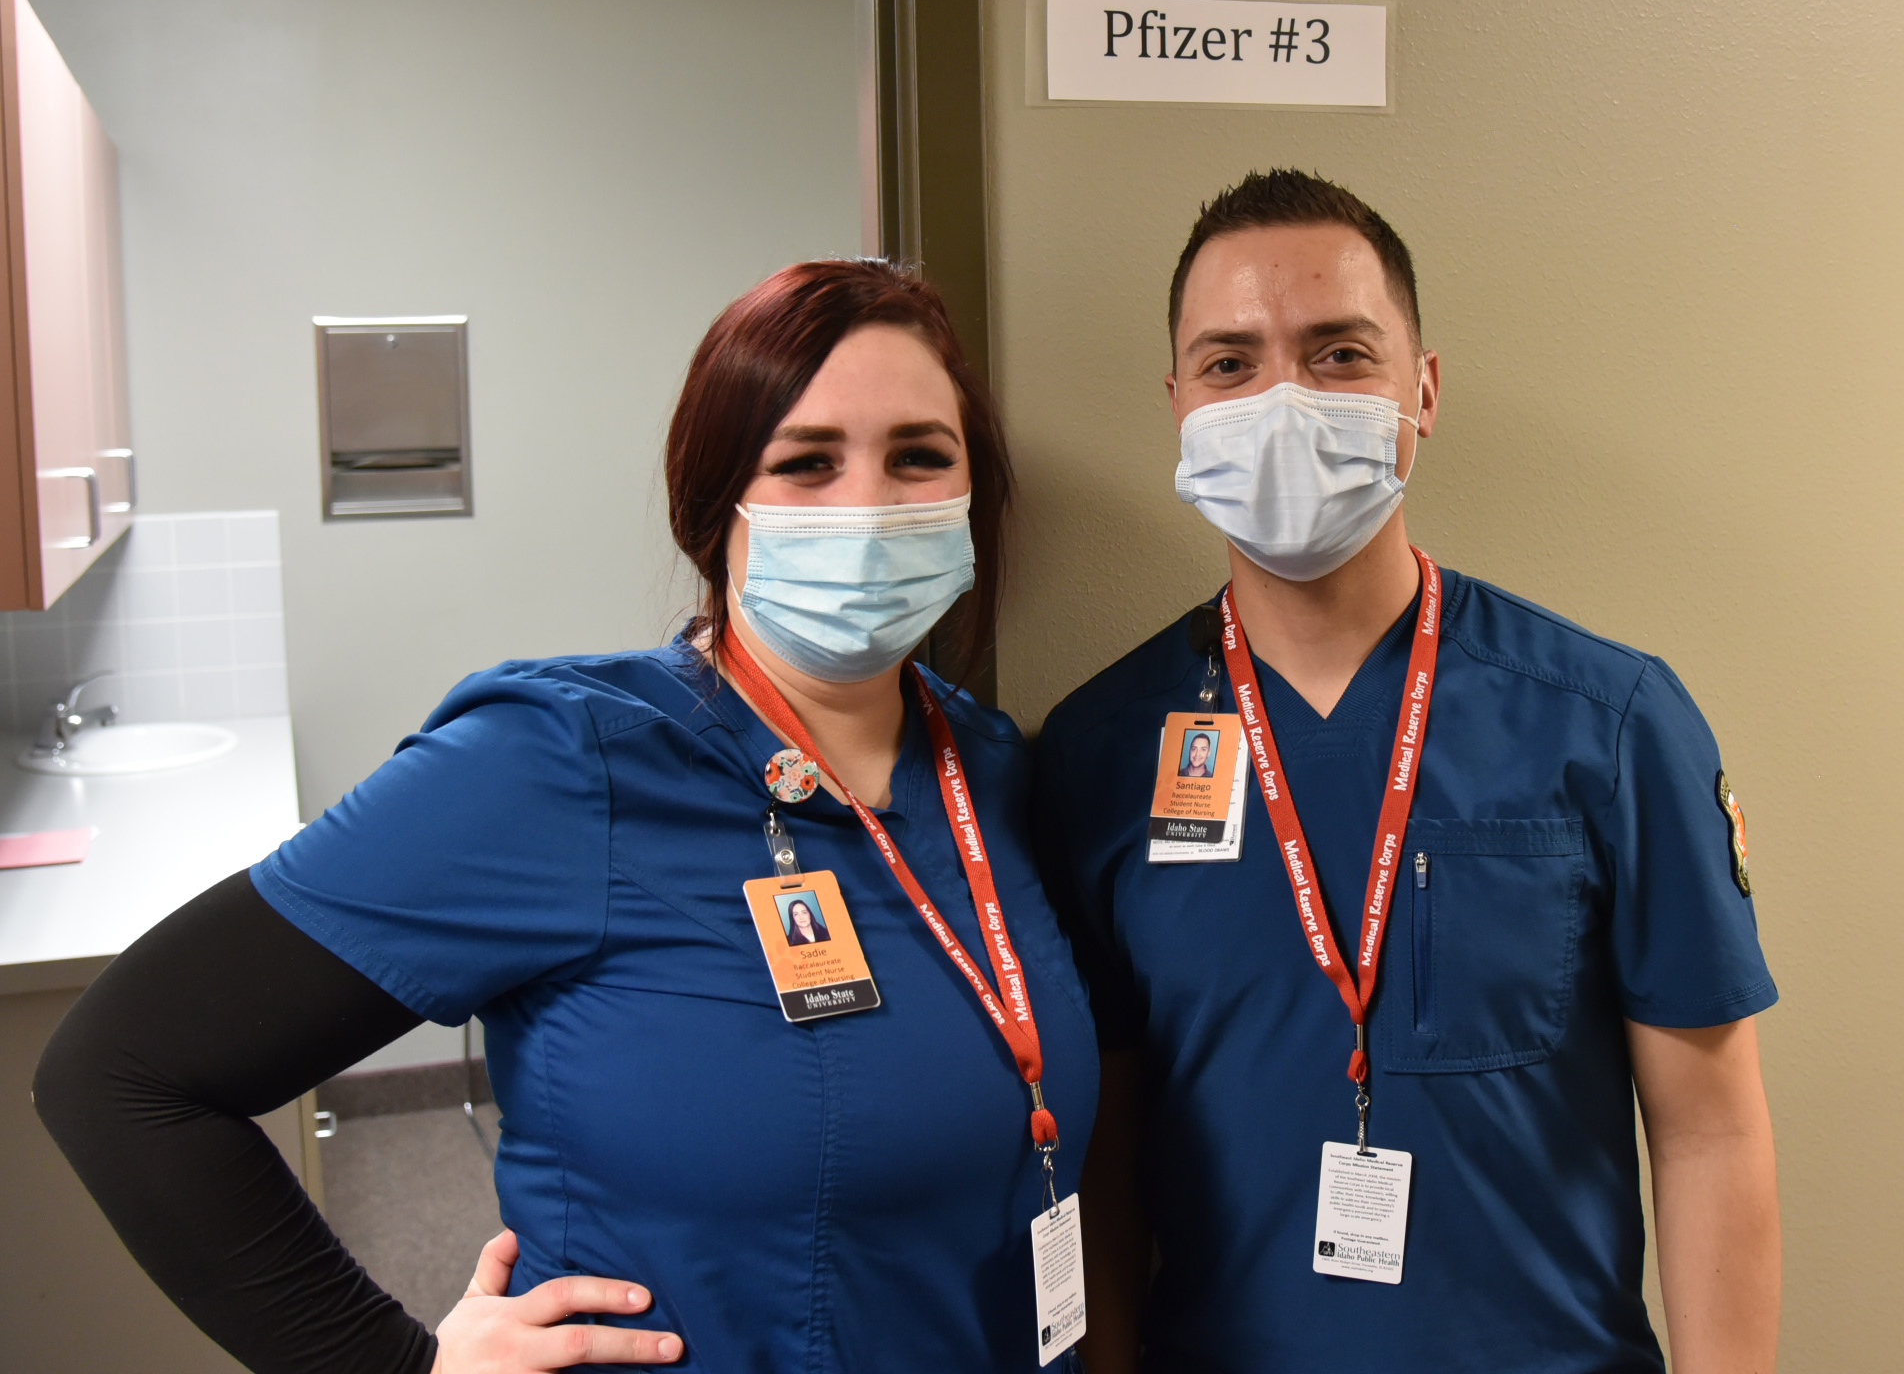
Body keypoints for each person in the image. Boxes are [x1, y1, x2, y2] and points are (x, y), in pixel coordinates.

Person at [34, 259, 1097, 1374]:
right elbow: (122, 1075)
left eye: (918, 457)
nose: (870, 506)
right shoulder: (557, 760)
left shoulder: (988, 766)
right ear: (712, 508)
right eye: (805, 462)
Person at [1034, 170, 1779, 1373]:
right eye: (1230, 363)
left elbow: (1707, 1131)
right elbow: (1100, 1162)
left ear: (1419, 389)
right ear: (1175, 402)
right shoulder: (1097, 752)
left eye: (1337, 354)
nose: (1281, 397)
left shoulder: (1609, 719)